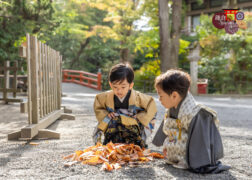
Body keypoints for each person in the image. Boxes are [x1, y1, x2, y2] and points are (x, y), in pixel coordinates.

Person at [152, 69, 230, 173]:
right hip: (176, 149)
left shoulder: (197, 113)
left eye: (161, 96)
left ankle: (194, 162)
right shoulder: (171, 108)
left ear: (174, 95)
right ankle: (175, 157)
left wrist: (199, 163)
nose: (159, 99)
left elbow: (200, 139)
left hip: (189, 156)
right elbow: (166, 129)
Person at [93, 63, 157, 148]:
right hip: (113, 127)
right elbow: (98, 107)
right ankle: (109, 144)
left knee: (134, 146)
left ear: (131, 85)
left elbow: (151, 106)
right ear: (110, 84)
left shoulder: (138, 97)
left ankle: (137, 145)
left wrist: (140, 116)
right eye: (115, 87)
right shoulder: (104, 97)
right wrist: (105, 114)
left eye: (123, 87)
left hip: (132, 128)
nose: (119, 91)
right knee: (107, 123)